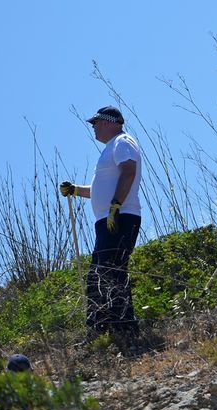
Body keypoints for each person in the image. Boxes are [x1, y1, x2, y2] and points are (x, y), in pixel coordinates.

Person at [59, 106, 143, 355]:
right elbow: (99, 190)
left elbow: (129, 171)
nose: (93, 127)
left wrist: (116, 206)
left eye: (96, 122)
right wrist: (75, 190)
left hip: (120, 217)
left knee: (110, 272)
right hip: (110, 218)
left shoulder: (122, 141)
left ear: (109, 122)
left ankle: (123, 329)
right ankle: (102, 328)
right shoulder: (111, 148)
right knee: (100, 274)